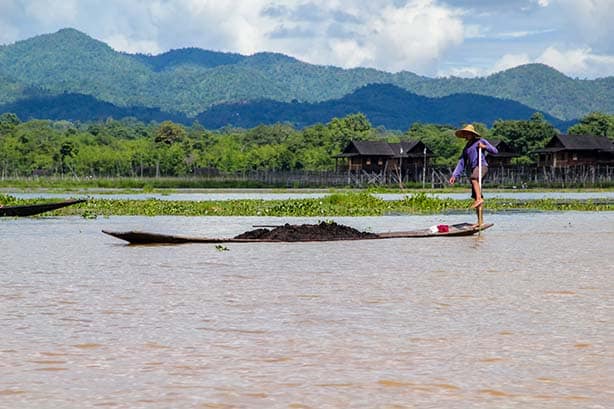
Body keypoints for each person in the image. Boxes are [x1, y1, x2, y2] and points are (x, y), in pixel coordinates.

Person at [448, 124, 498, 220]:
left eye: (468, 133)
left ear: (472, 134)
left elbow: (495, 151)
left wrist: (484, 147)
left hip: (481, 166)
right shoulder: (466, 148)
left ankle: (479, 199)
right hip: (474, 169)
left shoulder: (480, 141)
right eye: (465, 134)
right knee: (476, 195)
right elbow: (461, 162)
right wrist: (454, 175)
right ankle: (480, 221)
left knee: (474, 178)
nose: (466, 135)